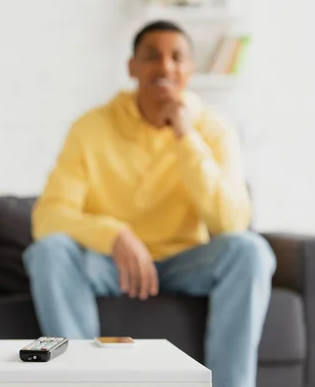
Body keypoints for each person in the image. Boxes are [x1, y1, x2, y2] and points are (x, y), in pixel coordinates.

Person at [23, 20, 275, 387]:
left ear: (190, 69)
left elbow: (231, 222)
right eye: (152, 56)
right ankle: (80, 381)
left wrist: (185, 137)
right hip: (110, 266)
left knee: (251, 251)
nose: (166, 66)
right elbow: (47, 217)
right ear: (132, 67)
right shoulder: (90, 128)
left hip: (186, 262)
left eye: (177, 57)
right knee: (48, 251)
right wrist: (113, 234)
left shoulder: (214, 129)